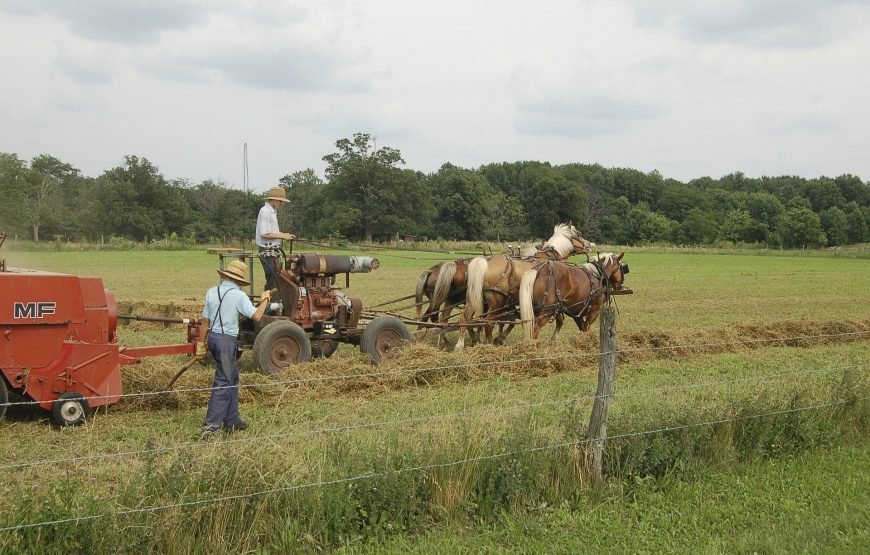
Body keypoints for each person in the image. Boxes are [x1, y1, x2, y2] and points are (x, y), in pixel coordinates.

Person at [196, 259, 270, 435]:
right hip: (226, 342)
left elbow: (205, 321)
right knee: (223, 380)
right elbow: (257, 316)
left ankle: (232, 420)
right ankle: (211, 426)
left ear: (225, 276)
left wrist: (200, 343)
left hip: (213, 338)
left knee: (232, 376)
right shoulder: (239, 296)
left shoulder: (212, 292)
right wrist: (265, 300)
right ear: (239, 280)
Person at [255, 186, 295, 287]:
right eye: (280, 201)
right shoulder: (265, 211)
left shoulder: (272, 211)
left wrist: (285, 235)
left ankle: (273, 298)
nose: (281, 203)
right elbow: (264, 234)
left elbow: (272, 231)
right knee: (272, 278)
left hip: (274, 249)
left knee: (277, 277)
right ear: (272, 199)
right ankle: (269, 299)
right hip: (266, 249)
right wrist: (282, 237)